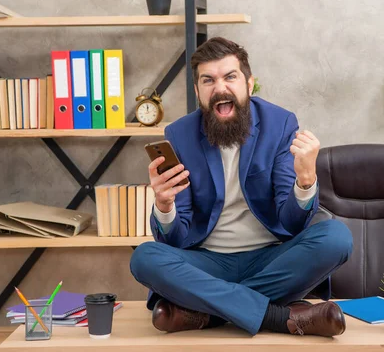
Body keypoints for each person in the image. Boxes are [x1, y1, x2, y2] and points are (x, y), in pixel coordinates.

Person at [130, 37, 353, 337]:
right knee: (145, 258)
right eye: (208, 80)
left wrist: (305, 181)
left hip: (271, 257)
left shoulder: (280, 123)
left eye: (230, 77)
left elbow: (291, 223)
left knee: (337, 237)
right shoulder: (179, 134)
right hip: (207, 261)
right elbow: (175, 240)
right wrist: (164, 206)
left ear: (249, 84)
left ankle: (210, 312)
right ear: (197, 92)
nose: (220, 88)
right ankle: (277, 317)